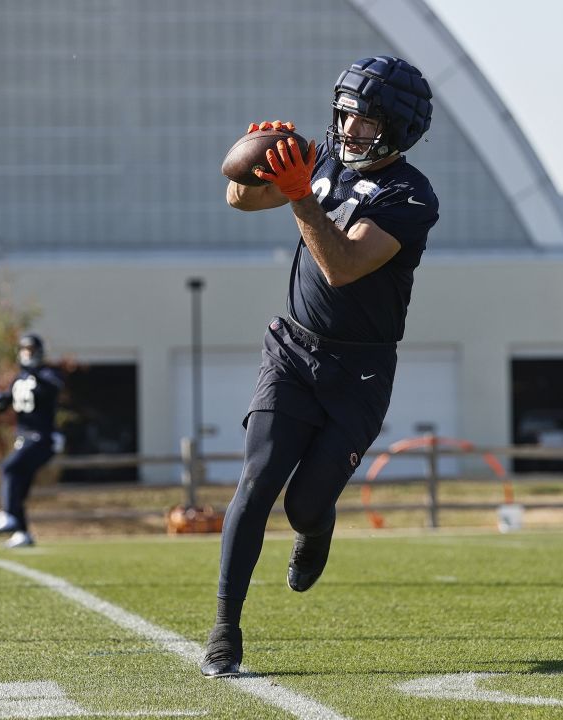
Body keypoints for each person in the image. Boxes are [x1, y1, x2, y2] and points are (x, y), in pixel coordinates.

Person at [202, 55, 438, 677]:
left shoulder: (409, 195)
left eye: (364, 120)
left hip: (359, 370)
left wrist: (302, 195)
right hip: (292, 347)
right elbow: (239, 199)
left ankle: (316, 527)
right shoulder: (324, 160)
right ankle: (225, 627)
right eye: (346, 114)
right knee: (257, 481)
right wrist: (265, 160)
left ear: (399, 126)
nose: (348, 129)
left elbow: (341, 265)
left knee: (305, 504)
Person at [0, 333, 64, 549]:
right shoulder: (18, 378)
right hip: (23, 438)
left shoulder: (48, 373)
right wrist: (1, 400)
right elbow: (7, 402)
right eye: (25, 350)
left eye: (31, 351)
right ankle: (22, 533)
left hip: (42, 437)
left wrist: (35, 374)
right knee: (18, 485)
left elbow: (53, 388)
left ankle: (9, 516)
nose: (28, 355)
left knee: (10, 468)